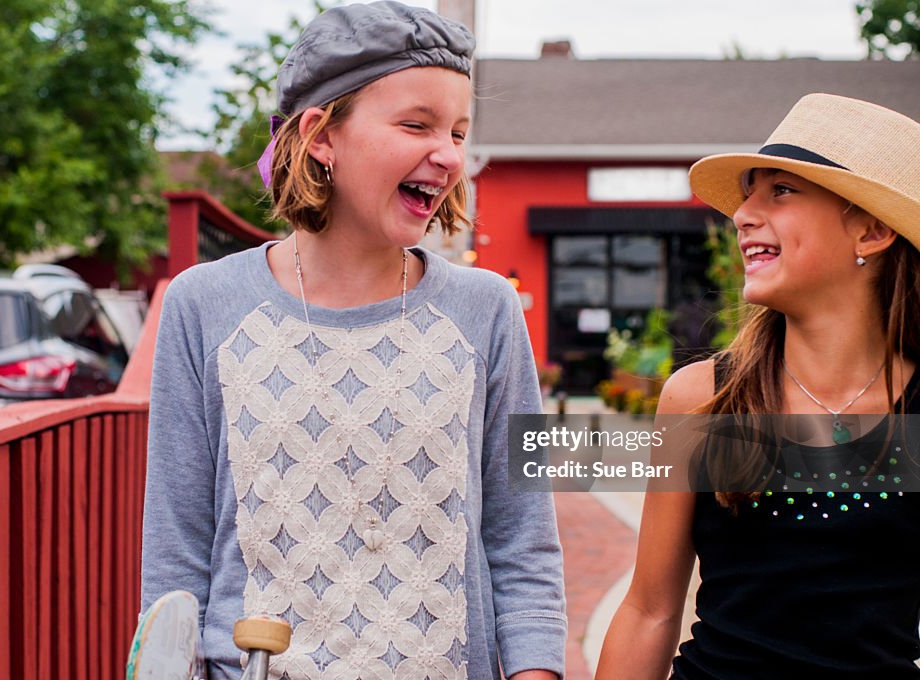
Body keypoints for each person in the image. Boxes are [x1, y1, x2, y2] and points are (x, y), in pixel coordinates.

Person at [140, 3, 567, 678]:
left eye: (458, 131)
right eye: (416, 124)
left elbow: (524, 546)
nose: (448, 154)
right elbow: (176, 555)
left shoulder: (487, 312)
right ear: (321, 135)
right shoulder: (204, 305)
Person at [595, 93, 920, 679]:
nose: (743, 214)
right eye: (748, 193)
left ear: (871, 231)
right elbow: (649, 610)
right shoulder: (701, 399)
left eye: (781, 191)